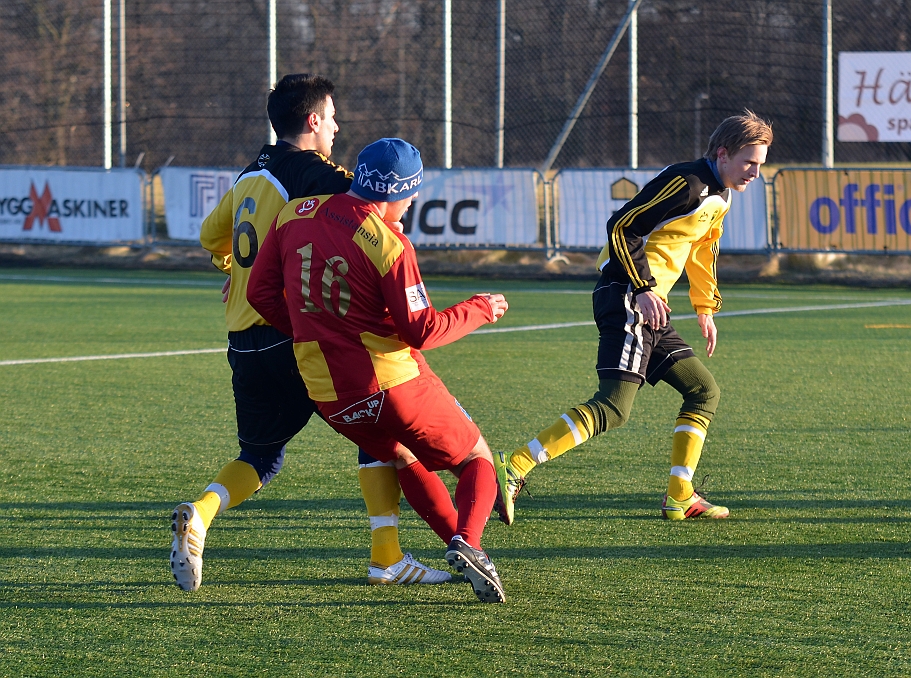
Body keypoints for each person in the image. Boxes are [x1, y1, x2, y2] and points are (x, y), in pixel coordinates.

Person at [170, 74, 451, 592]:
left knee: (260, 455)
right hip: (292, 329)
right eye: (334, 115)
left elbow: (213, 237)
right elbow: (367, 217)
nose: (339, 125)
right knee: (378, 425)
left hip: (242, 339)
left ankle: (201, 513)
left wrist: (233, 268)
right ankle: (386, 557)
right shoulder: (315, 173)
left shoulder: (248, 174)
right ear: (314, 120)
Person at [246, 138, 510, 603]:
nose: (410, 205)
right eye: (411, 196)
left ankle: (464, 550)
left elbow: (260, 295)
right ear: (400, 191)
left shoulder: (295, 214)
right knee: (477, 458)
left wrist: (314, 329)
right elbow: (423, 331)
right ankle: (469, 541)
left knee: (402, 457)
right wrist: (481, 307)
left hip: (328, 394)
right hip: (390, 382)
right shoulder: (389, 243)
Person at [494, 110, 773, 525]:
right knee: (613, 407)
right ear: (723, 153)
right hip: (627, 294)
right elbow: (622, 226)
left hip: (651, 303)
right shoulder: (687, 183)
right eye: (750, 162)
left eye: (760, 164)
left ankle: (680, 496)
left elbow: (702, 248)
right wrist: (642, 288)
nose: (755, 172)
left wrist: (705, 307)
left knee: (702, 391)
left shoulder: (723, 194)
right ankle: (514, 467)